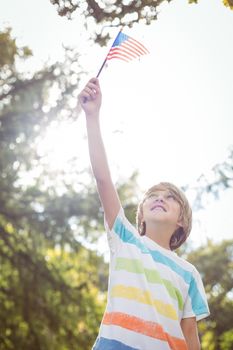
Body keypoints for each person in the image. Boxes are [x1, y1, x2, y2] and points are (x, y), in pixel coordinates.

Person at [78, 77, 210, 350]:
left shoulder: (188, 274)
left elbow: (190, 337)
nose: (160, 198)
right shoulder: (125, 238)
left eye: (170, 198)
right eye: (152, 196)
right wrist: (92, 116)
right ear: (140, 217)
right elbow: (103, 179)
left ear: (181, 221)